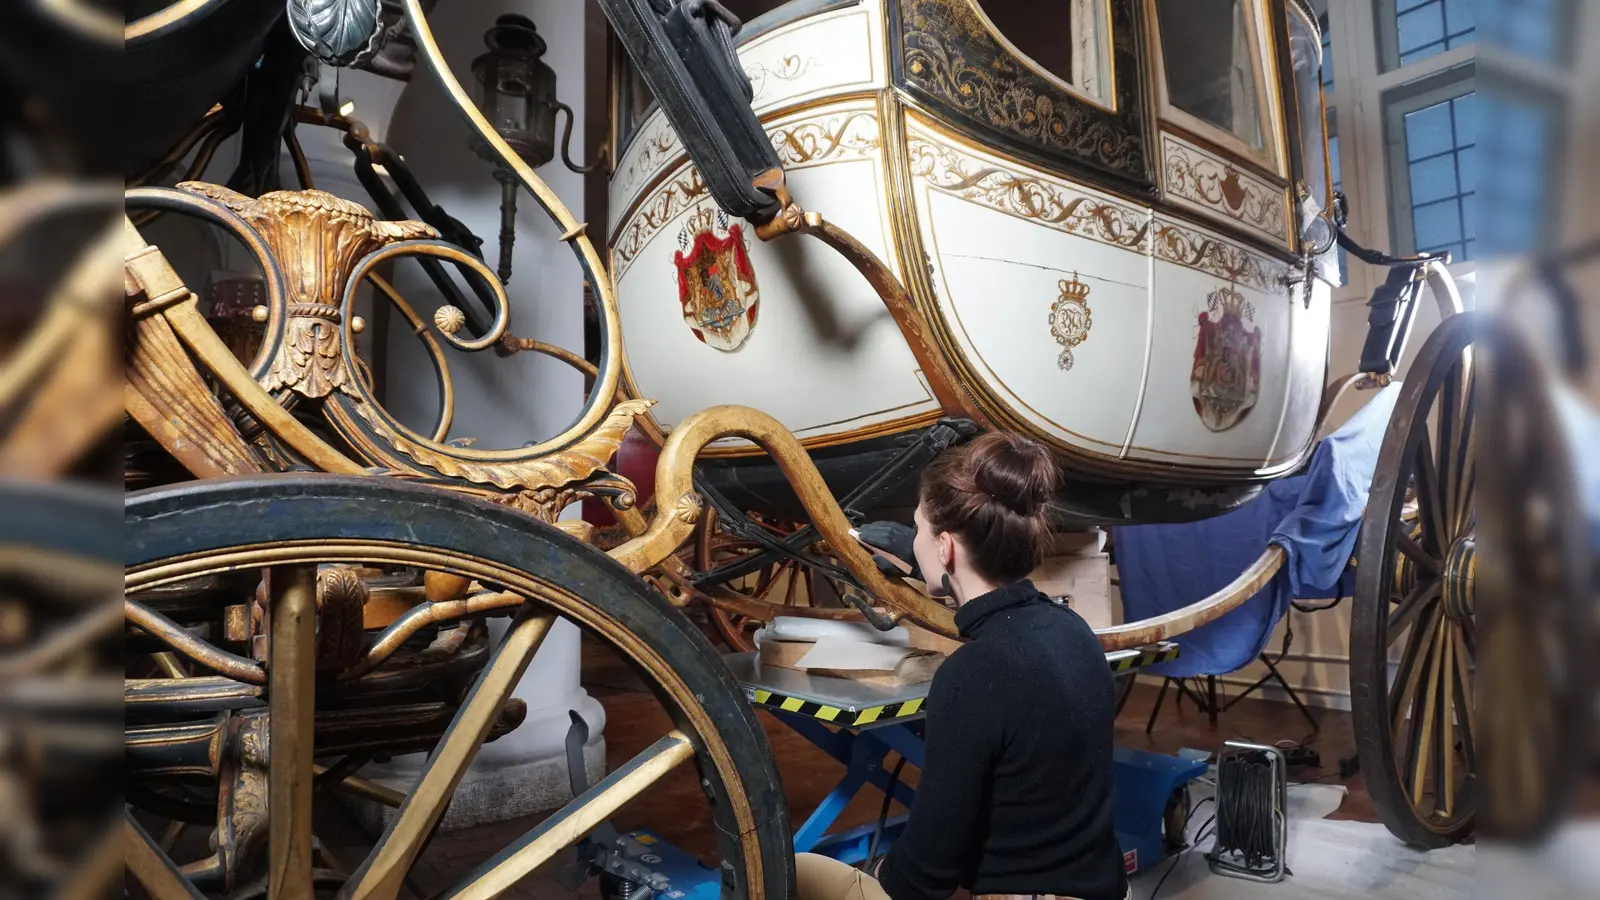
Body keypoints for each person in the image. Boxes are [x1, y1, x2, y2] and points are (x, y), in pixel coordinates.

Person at [797, 432, 1130, 900]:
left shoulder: (974, 673)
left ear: (946, 547)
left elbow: (925, 877)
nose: (913, 541)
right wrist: (927, 568)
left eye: (918, 529)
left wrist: (888, 871)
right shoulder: (1073, 631)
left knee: (796, 870)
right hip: (1104, 888)